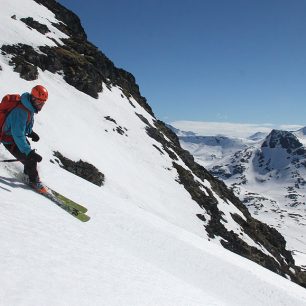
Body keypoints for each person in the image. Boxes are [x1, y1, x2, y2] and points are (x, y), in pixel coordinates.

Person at [1, 85, 48, 193]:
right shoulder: (21, 111)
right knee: (30, 157)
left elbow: (23, 125)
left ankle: (28, 175)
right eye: (39, 103)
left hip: (13, 137)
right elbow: (18, 134)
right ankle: (34, 181)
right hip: (9, 139)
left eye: (43, 103)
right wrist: (28, 152)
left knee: (29, 155)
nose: (41, 106)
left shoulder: (29, 107)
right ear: (33, 98)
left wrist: (31, 133)